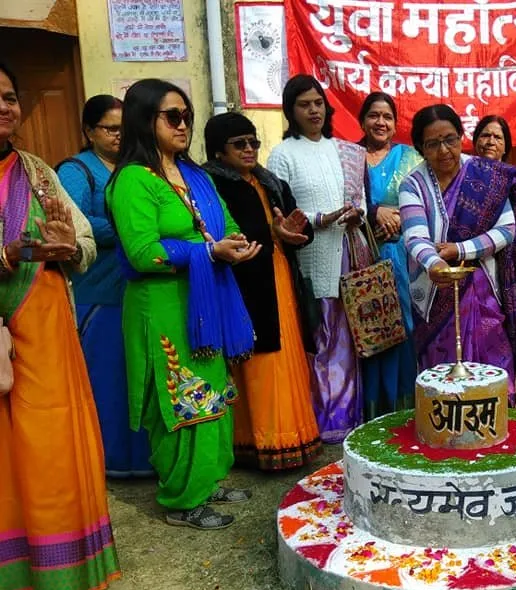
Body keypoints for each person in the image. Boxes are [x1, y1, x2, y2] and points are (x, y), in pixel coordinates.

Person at [107, 79, 260, 530]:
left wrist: (234, 245)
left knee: (213, 394)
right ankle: (182, 500)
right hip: (163, 309)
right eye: (172, 116)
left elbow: (223, 223)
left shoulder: (195, 175)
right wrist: (208, 252)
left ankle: (208, 481)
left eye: (187, 116)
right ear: (143, 120)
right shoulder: (133, 180)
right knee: (181, 400)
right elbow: (142, 253)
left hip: (205, 301)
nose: (183, 125)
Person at [0, 62, 120, 590]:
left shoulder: (38, 172)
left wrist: (70, 246)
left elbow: (84, 241)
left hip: (48, 329)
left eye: (8, 96)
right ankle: (14, 579)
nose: (4, 107)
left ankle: (59, 572)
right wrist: (9, 255)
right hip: (6, 325)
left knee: (51, 450)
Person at [203, 112, 322, 471]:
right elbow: (220, 233)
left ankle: (293, 437)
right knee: (257, 363)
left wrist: (293, 233)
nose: (249, 149)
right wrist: (270, 233)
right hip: (242, 285)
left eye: (253, 142)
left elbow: (298, 227)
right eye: (239, 144)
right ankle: (261, 443)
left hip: (280, 278)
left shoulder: (269, 181)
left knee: (287, 358)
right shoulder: (212, 185)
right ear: (218, 151)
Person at [399, 104, 516, 402]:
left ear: (461, 136)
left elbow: (507, 230)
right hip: (435, 289)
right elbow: (415, 237)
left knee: (491, 356)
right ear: (420, 148)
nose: (444, 150)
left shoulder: (486, 175)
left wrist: (460, 250)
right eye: (433, 144)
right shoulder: (413, 184)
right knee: (441, 368)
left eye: (450, 139)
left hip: (483, 288)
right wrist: (435, 264)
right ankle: (446, 422)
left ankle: (493, 417)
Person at [267, 75, 368, 443]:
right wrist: (320, 219)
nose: (313, 110)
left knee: (350, 338)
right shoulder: (283, 154)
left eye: (318, 103)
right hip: (313, 260)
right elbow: (279, 212)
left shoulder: (343, 150)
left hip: (349, 255)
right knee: (322, 337)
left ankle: (350, 417)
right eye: (304, 104)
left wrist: (357, 214)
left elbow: (361, 201)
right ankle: (324, 421)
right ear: (291, 111)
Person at [58, 94, 154, 479]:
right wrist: (131, 228)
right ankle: (113, 462)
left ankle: (146, 461)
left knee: (140, 378)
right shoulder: (77, 170)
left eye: (123, 128)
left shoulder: (136, 168)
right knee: (109, 380)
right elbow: (72, 224)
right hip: (99, 295)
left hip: (137, 292)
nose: (119, 136)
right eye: (110, 128)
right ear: (89, 131)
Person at [357, 91, 420, 418]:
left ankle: (404, 407)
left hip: (401, 257)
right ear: (362, 121)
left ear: (395, 124)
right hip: (363, 255)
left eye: (387, 117)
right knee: (369, 329)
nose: (380, 122)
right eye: (374, 115)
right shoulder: (350, 157)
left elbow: (425, 200)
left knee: (404, 329)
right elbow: (343, 201)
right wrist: (374, 212)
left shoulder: (409, 157)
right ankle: (372, 410)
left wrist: (398, 217)